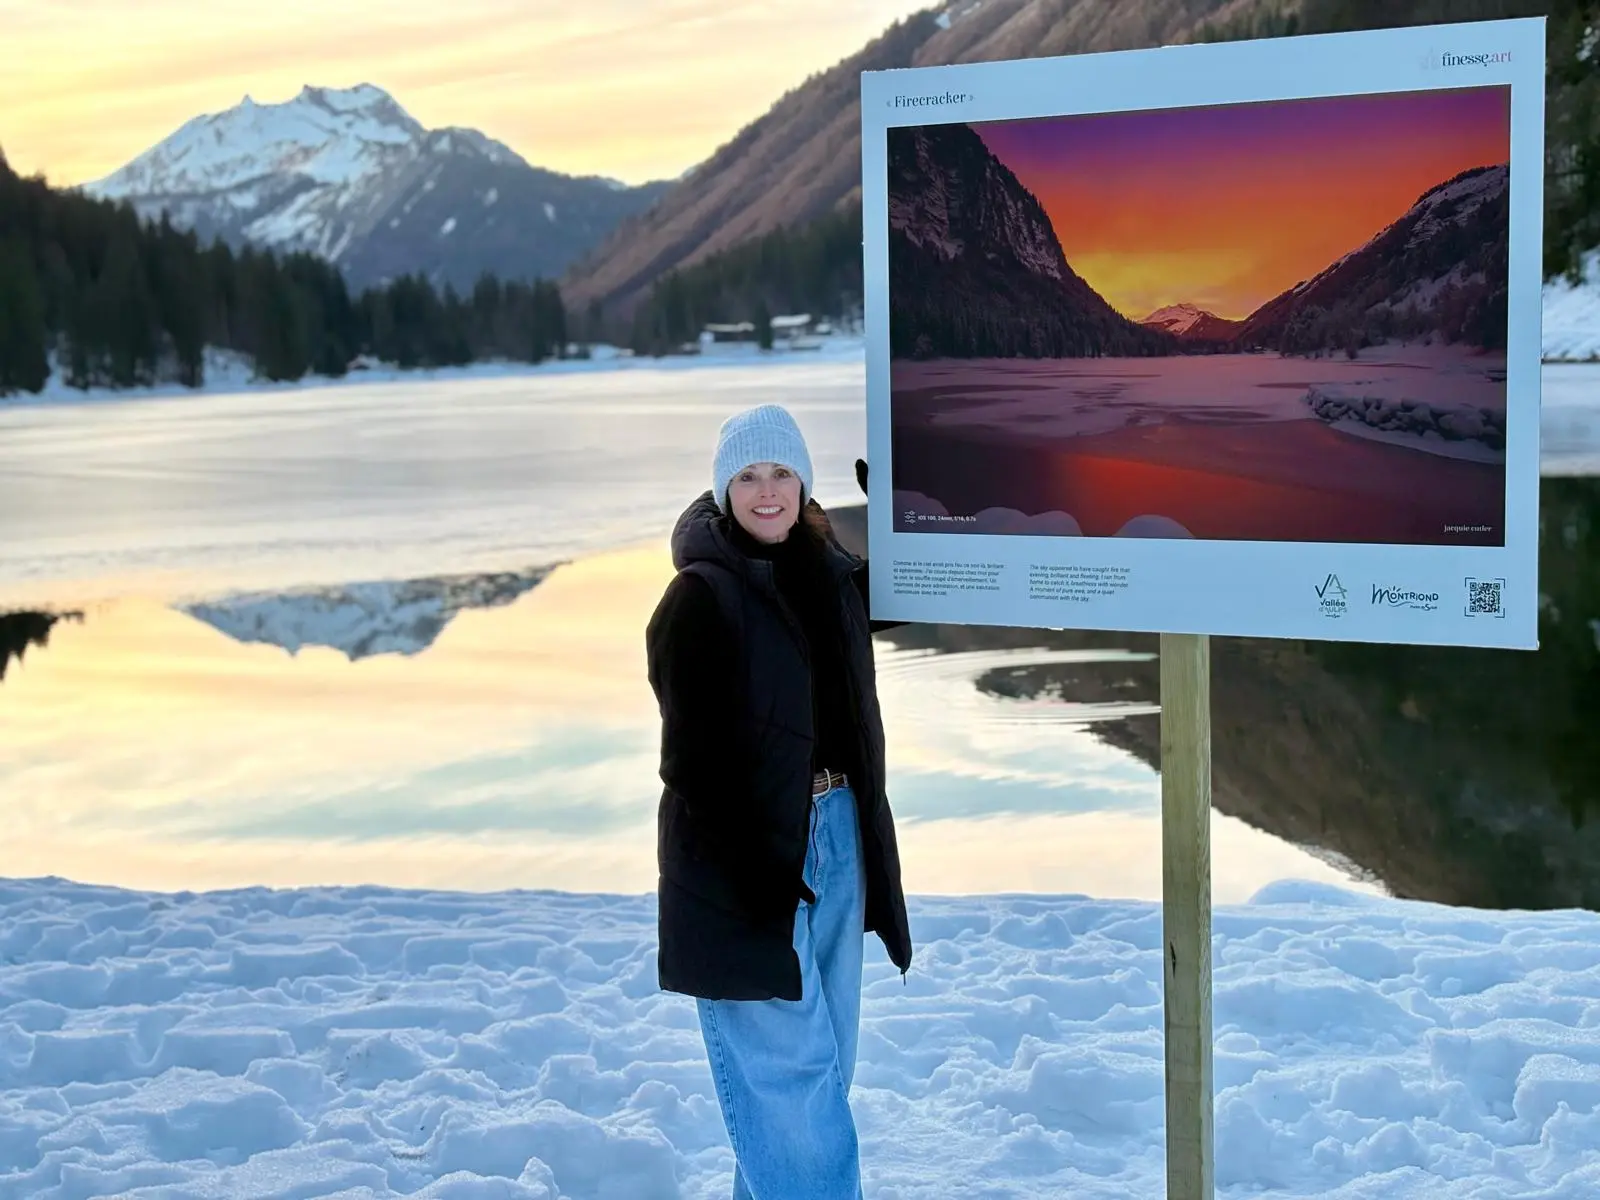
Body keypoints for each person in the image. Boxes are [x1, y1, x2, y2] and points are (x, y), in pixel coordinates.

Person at [645, 403, 913, 1200]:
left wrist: (904, 516)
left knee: (815, 1077)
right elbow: (691, 769)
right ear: (725, 491)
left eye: (783, 474)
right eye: (749, 477)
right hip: (746, 866)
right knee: (794, 1093)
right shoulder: (697, 599)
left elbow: (914, 593)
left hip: (837, 841)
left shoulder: (826, 578)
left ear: (805, 484)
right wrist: (762, 873)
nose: (768, 492)